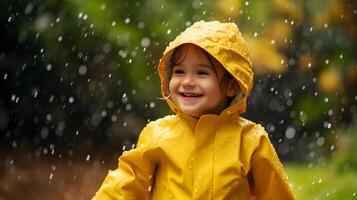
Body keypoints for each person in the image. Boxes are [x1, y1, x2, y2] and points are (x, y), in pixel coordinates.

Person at [92, 21, 295, 199]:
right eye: (179, 71)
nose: (187, 82)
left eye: (201, 73)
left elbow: (275, 194)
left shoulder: (250, 140)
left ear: (232, 85)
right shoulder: (159, 135)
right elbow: (126, 183)